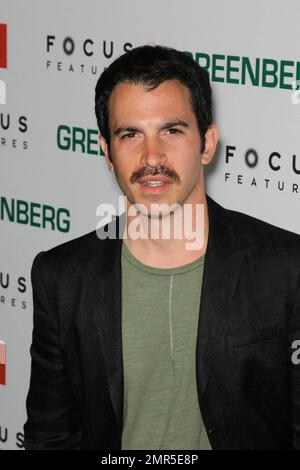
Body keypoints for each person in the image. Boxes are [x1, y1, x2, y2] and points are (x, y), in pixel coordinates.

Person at [23, 45, 300, 450]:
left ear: (206, 144)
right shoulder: (62, 277)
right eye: (130, 134)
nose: (152, 157)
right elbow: (51, 436)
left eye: (172, 130)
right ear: (107, 152)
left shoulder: (285, 268)